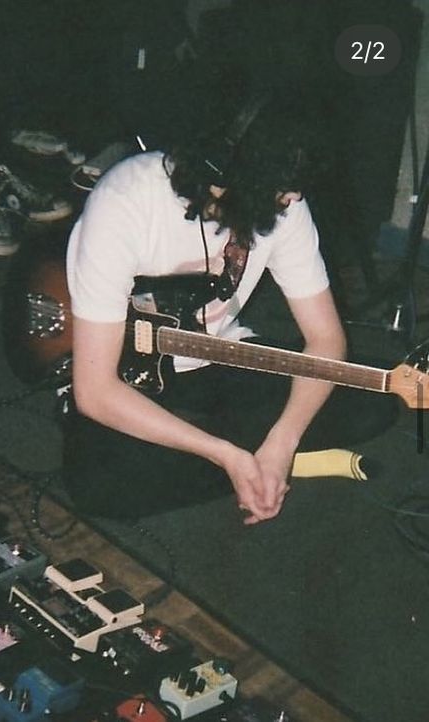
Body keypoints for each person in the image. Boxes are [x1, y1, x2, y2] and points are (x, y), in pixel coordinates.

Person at [62, 94, 399, 523]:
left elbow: (326, 339)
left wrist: (282, 443)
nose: (294, 198)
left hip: (221, 357)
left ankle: (257, 458)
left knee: (374, 401)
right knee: (102, 491)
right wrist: (222, 453)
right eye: (283, 186)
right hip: (133, 376)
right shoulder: (125, 202)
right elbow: (95, 390)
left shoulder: (285, 208)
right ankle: (237, 457)